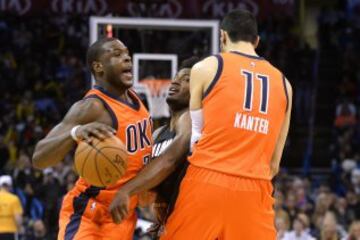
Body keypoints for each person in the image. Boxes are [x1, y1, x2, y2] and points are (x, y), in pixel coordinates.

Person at [161, 9, 292, 239]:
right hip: (254, 189)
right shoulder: (285, 85)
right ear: (257, 41)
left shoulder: (206, 67)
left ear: (222, 36)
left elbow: (196, 137)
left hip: (206, 181)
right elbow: (274, 164)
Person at [32, 37, 153, 240]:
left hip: (122, 214)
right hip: (90, 212)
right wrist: (74, 133)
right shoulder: (91, 107)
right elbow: (39, 158)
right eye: (116, 54)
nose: (126, 58)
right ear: (99, 67)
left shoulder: (135, 99)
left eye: (126, 54)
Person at [108, 57, 197, 236]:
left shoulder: (191, 119)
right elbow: (147, 193)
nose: (176, 81)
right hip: (169, 224)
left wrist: (126, 191)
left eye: (186, 79)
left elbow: (169, 160)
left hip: (191, 223)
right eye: (176, 77)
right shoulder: (157, 134)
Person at [0, 175, 24, 240]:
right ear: (10, 186)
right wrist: (20, 228)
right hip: (10, 231)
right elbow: (17, 217)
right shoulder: (14, 199)